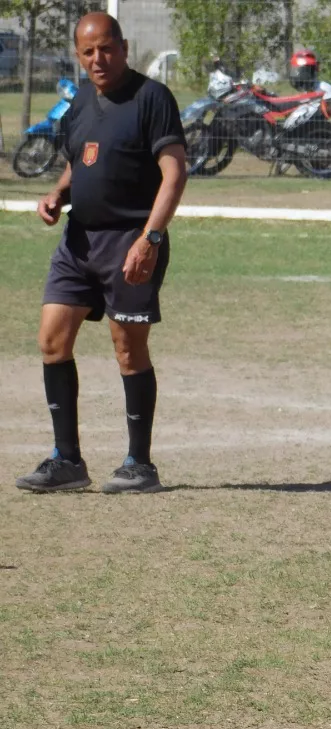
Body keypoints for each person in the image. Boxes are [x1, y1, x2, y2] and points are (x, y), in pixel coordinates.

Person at [16, 12, 187, 494]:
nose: (98, 59)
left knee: (128, 350)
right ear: (78, 55)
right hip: (78, 242)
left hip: (131, 241)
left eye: (106, 48)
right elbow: (80, 162)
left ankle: (139, 464)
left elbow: (174, 173)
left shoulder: (151, 98)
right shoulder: (81, 103)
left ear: (124, 47)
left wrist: (150, 239)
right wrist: (57, 194)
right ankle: (66, 460)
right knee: (52, 341)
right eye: (88, 51)